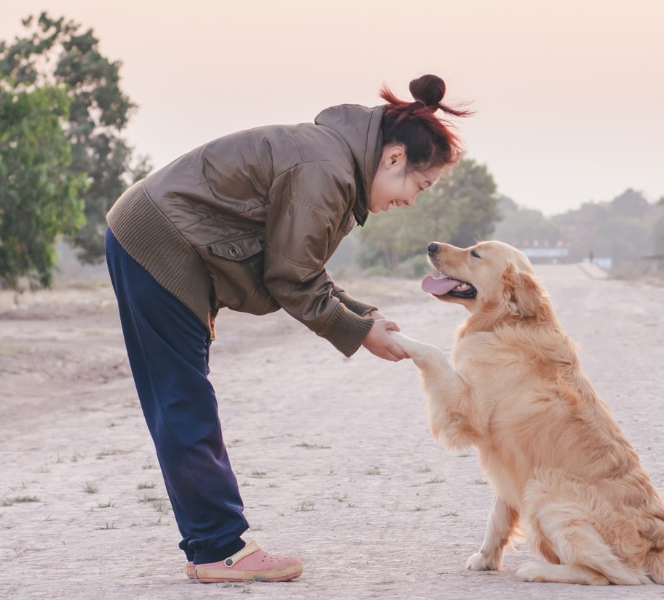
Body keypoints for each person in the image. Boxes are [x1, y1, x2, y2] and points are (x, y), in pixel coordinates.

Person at [104, 74, 470, 583]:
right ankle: (218, 548)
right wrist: (359, 332)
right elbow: (291, 278)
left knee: (178, 396)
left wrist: (361, 316)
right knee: (182, 397)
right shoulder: (326, 170)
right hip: (161, 241)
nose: (413, 199)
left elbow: (294, 264)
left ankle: (208, 545)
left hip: (153, 234)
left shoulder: (331, 161)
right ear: (392, 158)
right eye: (419, 184)